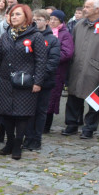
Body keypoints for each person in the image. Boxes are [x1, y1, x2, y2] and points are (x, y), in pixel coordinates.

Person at [0, 4, 48, 159]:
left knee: (22, 115)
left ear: (26, 17)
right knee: (6, 114)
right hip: (5, 81)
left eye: (18, 14)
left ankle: (17, 144)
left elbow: (41, 61)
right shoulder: (6, 35)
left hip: (25, 83)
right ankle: (9, 142)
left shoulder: (36, 36)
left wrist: (38, 82)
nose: (14, 17)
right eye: (12, 14)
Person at [63, 0, 99, 138]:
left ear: (97, 10)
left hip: (95, 71)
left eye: (87, 7)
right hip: (77, 68)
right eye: (84, 6)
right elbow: (72, 46)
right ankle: (72, 124)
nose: (84, 9)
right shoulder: (79, 25)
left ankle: (89, 127)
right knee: (73, 97)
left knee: (94, 100)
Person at [23, 10, 60, 151]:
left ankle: (36, 138)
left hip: (44, 82)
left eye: (39, 19)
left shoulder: (52, 40)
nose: (36, 22)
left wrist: (38, 77)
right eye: (35, 19)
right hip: (28, 80)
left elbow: (52, 62)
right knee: (28, 111)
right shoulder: (28, 37)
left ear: (47, 21)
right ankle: (27, 137)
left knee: (40, 111)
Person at [45, 10, 74, 133]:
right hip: (43, 69)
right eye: (51, 19)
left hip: (57, 71)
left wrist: (52, 58)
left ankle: (46, 125)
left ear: (61, 21)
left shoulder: (65, 34)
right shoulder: (45, 32)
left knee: (51, 98)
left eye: (55, 20)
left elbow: (67, 53)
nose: (52, 21)